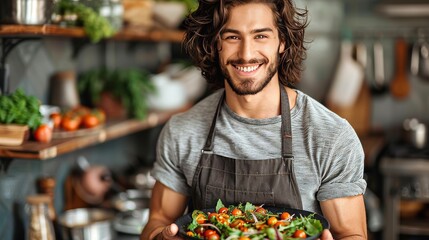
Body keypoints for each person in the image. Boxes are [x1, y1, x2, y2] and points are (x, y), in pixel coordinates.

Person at [141, 0, 367, 239]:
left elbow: (351, 234)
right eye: (232, 37)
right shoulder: (182, 132)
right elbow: (157, 222)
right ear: (215, 43)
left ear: (282, 42)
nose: (246, 54)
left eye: (260, 36)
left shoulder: (331, 136)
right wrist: (161, 236)